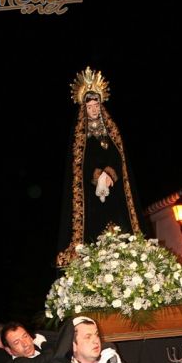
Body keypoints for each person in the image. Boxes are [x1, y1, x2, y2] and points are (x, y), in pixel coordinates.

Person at [57, 66, 142, 264]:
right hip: (90, 199)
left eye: (96, 104)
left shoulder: (112, 133)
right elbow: (79, 167)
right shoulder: (79, 137)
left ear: (101, 105)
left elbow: (119, 158)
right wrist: (97, 176)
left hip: (115, 193)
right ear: (84, 108)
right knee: (93, 235)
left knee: (120, 230)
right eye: (90, 106)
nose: (94, 109)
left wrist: (109, 174)